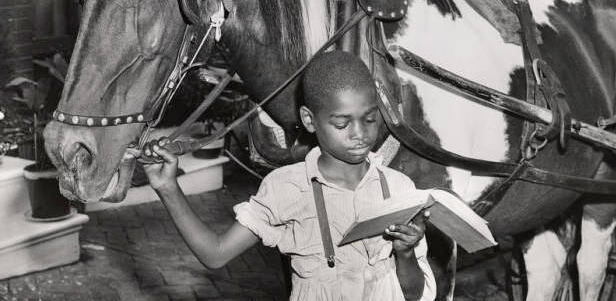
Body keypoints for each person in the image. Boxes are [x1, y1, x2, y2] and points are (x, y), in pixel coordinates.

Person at [143, 50, 437, 301]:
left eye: (370, 119)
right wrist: (168, 188)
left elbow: (413, 294)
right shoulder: (286, 187)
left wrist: (407, 253)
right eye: (342, 123)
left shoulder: (399, 188)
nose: (360, 134)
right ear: (310, 120)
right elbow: (215, 254)